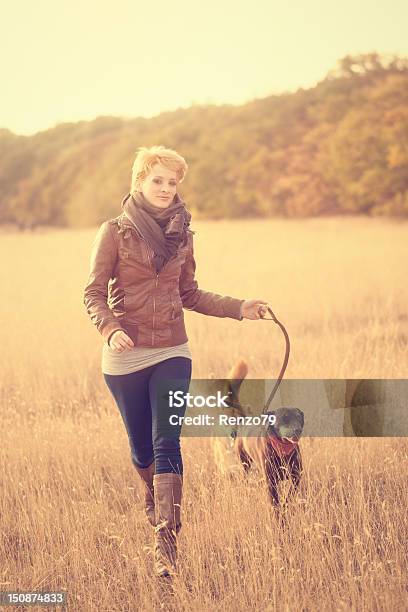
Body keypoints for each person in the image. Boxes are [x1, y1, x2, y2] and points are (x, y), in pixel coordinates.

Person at [83, 145, 268, 578]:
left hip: (172, 350)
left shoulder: (183, 234)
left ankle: (166, 542)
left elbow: (190, 293)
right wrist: (111, 329)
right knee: (141, 449)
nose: (166, 190)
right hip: (124, 357)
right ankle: (152, 492)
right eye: (158, 181)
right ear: (139, 181)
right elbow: (92, 294)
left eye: (173, 182)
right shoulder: (114, 232)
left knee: (168, 441)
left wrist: (240, 306)